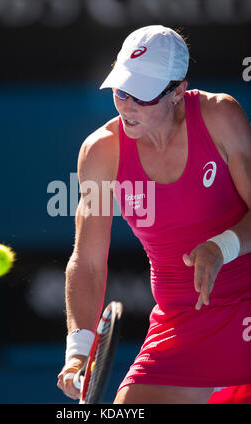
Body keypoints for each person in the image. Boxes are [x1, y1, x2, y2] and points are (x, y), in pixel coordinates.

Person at [57, 25, 251, 404]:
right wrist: (78, 351)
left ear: (178, 90)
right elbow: (88, 263)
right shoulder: (101, 153)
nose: (127, 105)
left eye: (142, 97)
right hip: (182, 319)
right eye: (120, 91)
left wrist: (220, 247)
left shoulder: (220, 117)